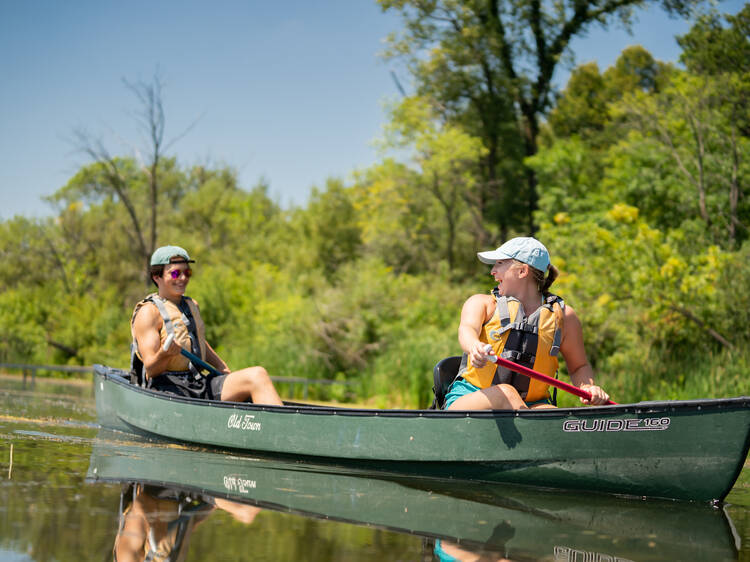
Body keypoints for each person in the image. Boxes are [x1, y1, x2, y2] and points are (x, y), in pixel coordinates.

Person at [445, 237, 609, 410]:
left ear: (522, 271)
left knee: (550, 412)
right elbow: (466, 330)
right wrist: (474, 347)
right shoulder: (482, 303)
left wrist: (588, 387)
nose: (493, 271)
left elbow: (579, 367)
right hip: (471, 400)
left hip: (532, 406)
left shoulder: (564, 318)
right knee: (506, 393)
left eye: (500, 263)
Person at [130, 245, 283, 405]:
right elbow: (151, 370)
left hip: (197, 382)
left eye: (187, 272)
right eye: (175, 273)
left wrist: (222, 367)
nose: (182, 278)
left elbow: (198, 341)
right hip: (168, 389)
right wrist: (165, 353)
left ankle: (284, 427)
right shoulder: (149, 313)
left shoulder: (192, 305)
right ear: (157, 277)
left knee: (257, 375)